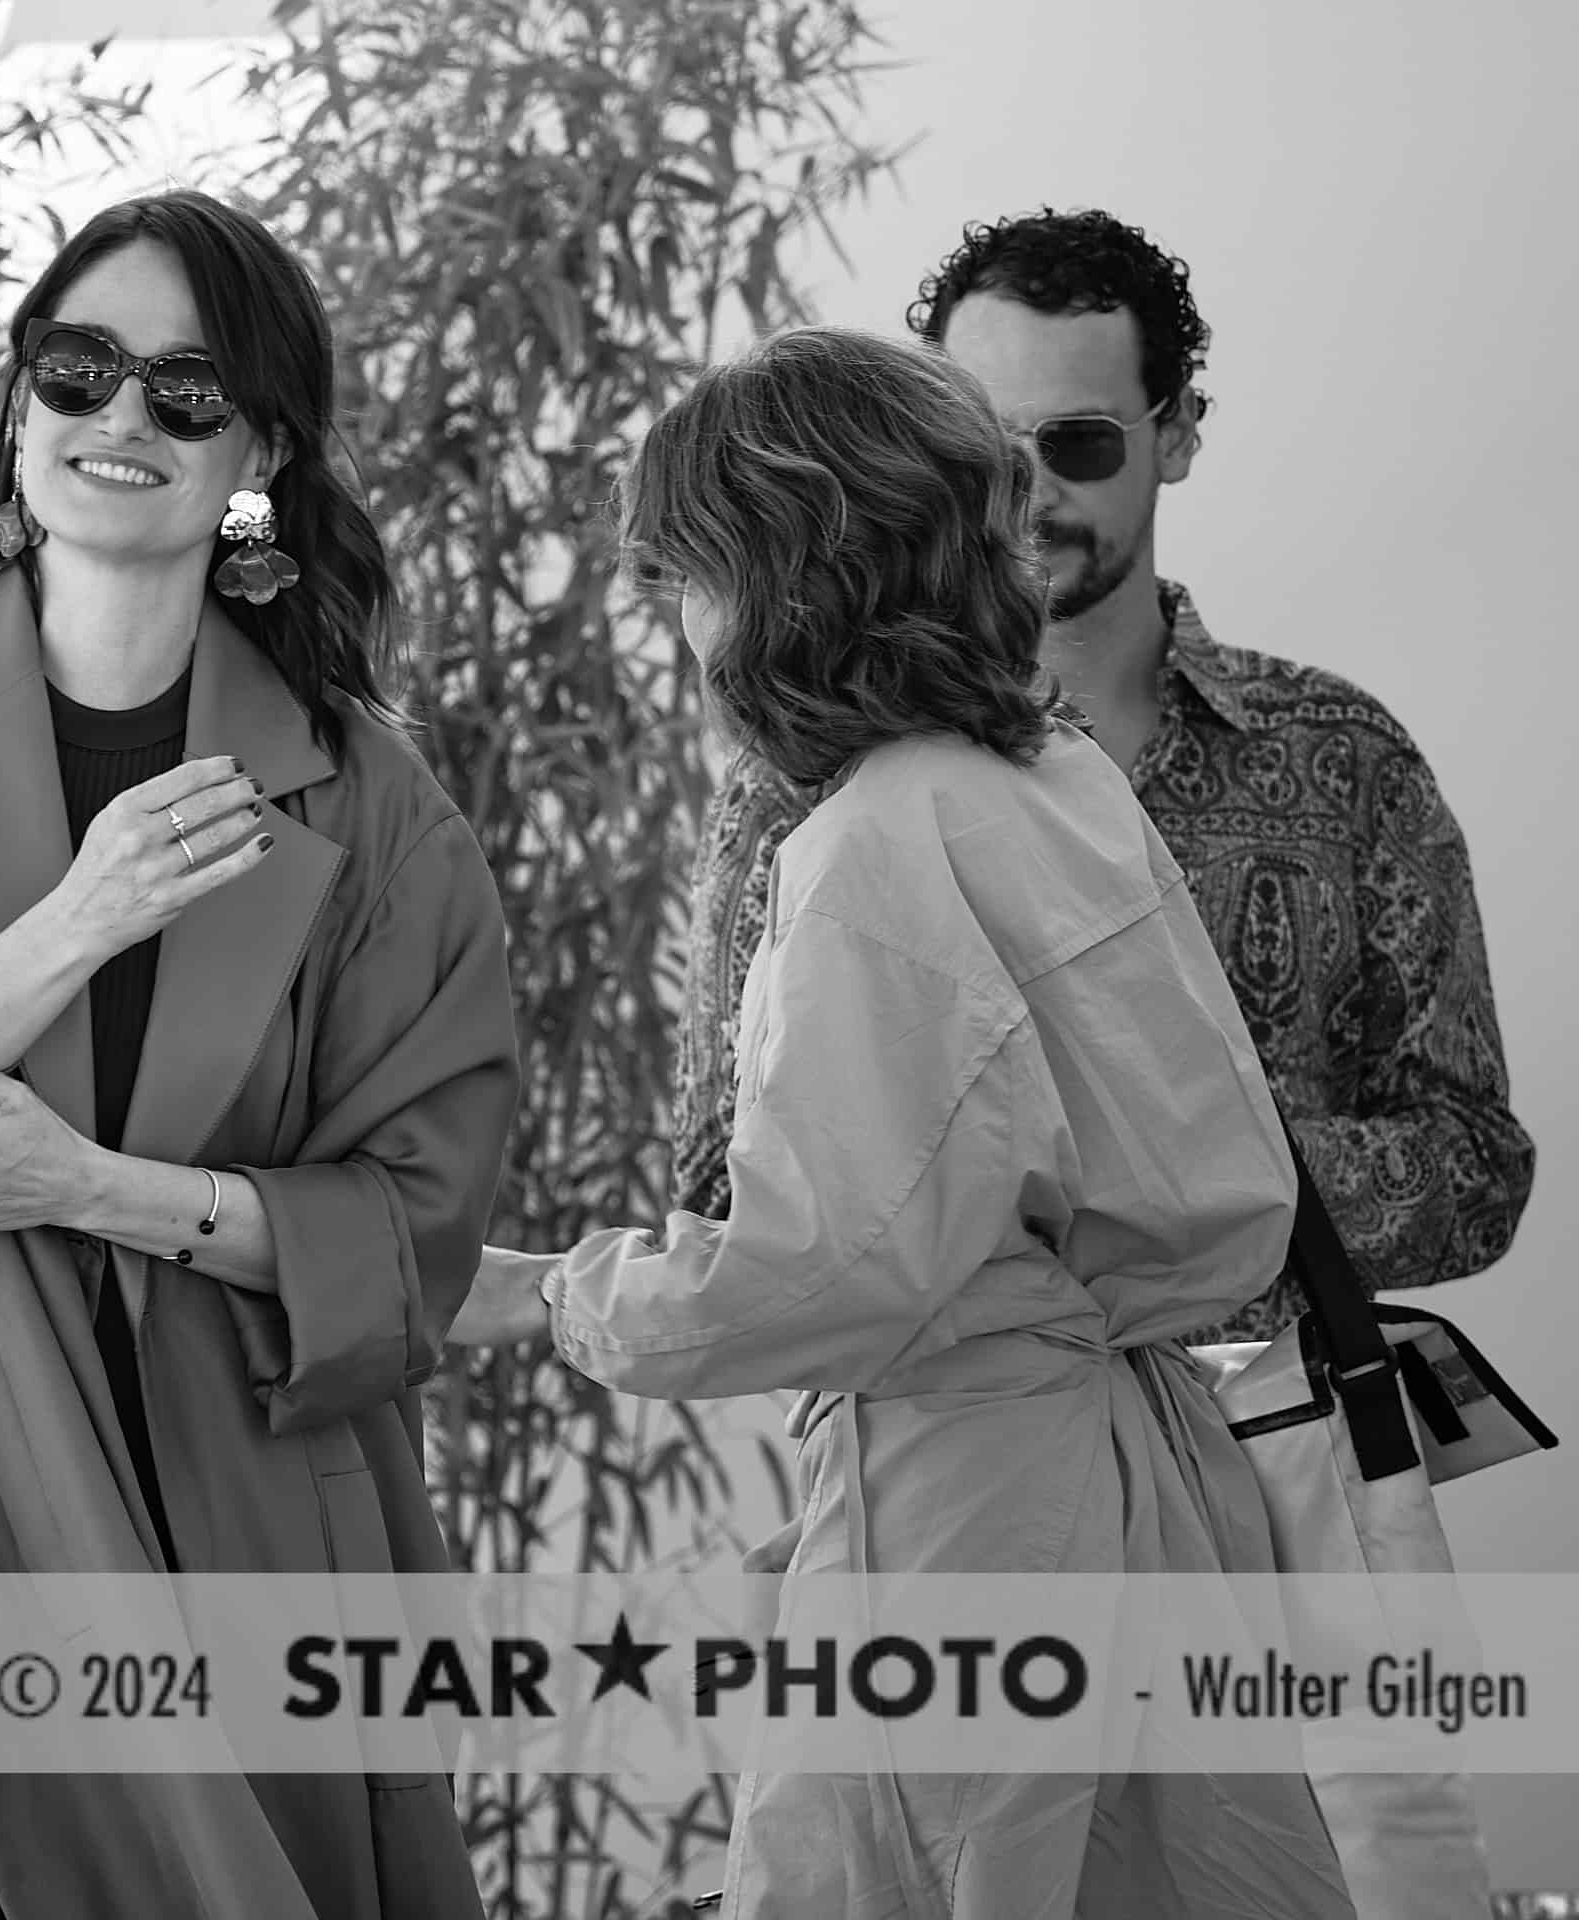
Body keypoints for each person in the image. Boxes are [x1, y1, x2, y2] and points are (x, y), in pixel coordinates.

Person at [0, 189, 517, 1920]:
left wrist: (97, 1191)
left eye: (187, 392)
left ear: (260, 448)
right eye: (79, 369)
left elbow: (410, 1234)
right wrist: (78, 918)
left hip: (234, 1508)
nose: (122, 419)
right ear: (16, 403)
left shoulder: (373, 805)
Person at [446, 324, 1358, 1916]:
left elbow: (823, 1266)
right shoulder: (1054, 782)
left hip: (970, 1505)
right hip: (1148, 1479)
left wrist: (545, 1291)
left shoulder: (874, 845)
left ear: (787, 585)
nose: (686, 627)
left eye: (693, 581)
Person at [670, 208, 1532, 1344]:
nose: (1028, 489)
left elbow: (1473, 1175)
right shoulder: (804, 776)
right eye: (987, 440)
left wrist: (1186, 1152)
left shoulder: (1344, 760)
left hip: (1293, 1475)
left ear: (1175, 433)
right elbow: (721, 1189)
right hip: (981, 1482)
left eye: (1077, 440)